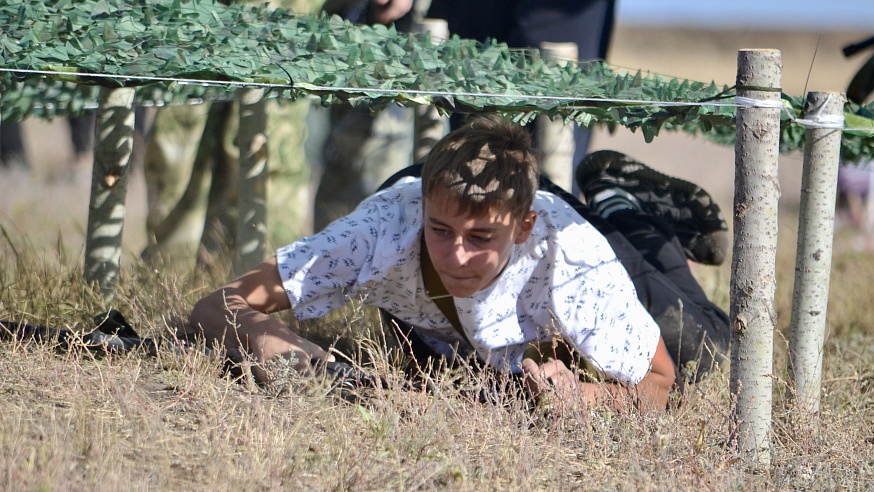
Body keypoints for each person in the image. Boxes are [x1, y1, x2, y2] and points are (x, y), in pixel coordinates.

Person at [190, 115, 730, 412]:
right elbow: (218, 305)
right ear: (422, 211)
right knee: (452, 373)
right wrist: (273, 344)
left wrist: (585, 397)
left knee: (703, 347)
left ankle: (619, 202)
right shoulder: (382, 230)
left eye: (479, 238)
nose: (455, 255)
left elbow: (660, 384)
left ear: (520, 229)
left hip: (575, 226)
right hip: (447, 198)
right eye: (441, 232)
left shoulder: (572, 258)